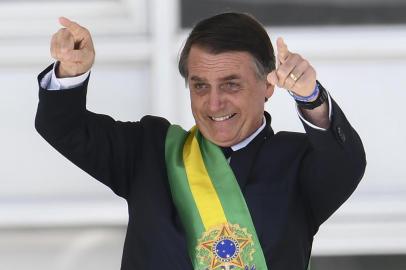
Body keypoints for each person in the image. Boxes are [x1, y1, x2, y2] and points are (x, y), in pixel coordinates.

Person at [35, 12, 366, 270]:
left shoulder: (298, 162)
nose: (214, 103)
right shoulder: (149, 151)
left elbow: (346, 163)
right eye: (200, 86)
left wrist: (310, 98)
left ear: (267, 86)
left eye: (231, 85)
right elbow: (62, 127)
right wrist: (71, 72)